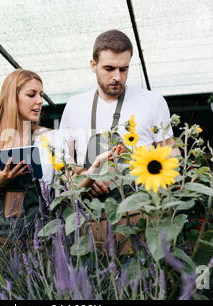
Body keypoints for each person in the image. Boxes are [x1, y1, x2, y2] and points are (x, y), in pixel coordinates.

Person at [59, 29, 180, 254]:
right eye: (109, 69)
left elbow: (170, 154)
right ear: (93, 65)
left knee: (144, 284)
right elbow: (65, 163)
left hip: (141, 214)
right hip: (91, 215)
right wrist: (85, 179)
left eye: (123, 69)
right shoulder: (74, 105)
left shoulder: (152, 101)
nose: (117, 77)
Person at [0, 69, 54, 244]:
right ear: (11, 98)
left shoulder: (46, 138)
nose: (40, 101)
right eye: (31, 95)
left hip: (37, 241)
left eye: (41, 95)